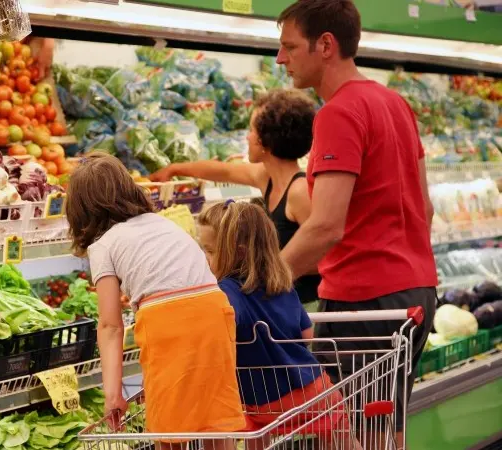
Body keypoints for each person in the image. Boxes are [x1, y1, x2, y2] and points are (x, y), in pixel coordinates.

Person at [274, 0, 438, 445]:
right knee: (385, 432)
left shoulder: (339, 112)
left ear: (325, 45)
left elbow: (326, 225)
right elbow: (426, 208)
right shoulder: (394, 103)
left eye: (289, 46)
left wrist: (262, 282)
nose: (280, 59)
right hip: (415, 292)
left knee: (351, 438)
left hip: (366, 303)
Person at [65, 152, 246, 441]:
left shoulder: (102, 245)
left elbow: (110, 326)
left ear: (80, 210)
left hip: (167, 320)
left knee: (169, 426)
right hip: (215, 308)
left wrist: (113, 393)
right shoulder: (161, 222)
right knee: (215, 417)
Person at [198, 200, 352, 449]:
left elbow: (221, 325)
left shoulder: (226, 291)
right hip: (314, 390)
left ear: (236, 252)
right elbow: (307, 335)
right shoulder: (281, 283)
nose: (204, 258)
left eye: (210, 251)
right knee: (343, 440)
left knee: (255, 435)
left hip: (262, 400)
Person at [150, 89, 321, 309]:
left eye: (251, 130)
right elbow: (224, 172)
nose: (247, 137)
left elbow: (326, 257)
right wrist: (174, 169)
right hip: (275, 303)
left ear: (265, 142)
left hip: (302, 308)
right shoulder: (266, 176)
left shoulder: (299, 193)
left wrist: (268, 267)